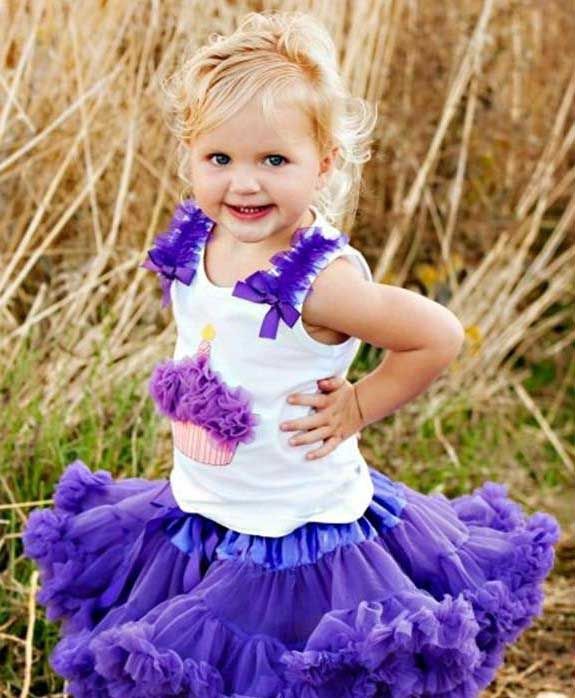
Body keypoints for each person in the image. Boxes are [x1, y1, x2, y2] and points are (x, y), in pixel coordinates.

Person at [22, 10, 561, 697]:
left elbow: (437, 335)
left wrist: (358, 405)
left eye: (274, 160)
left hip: (301, 533)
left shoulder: (319, 281)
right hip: (205, 508)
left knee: (286, 670)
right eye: (219, 159)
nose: (243, 184)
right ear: (189, 155)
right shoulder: (199, 242)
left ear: (324, 163)